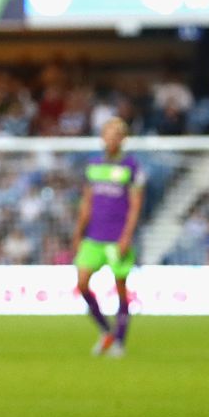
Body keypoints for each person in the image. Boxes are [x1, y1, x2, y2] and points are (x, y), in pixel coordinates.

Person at [70, 117, 144, 358]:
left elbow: (135, 206)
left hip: (116, 237)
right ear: (102, 137)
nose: (111, 138)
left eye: (116, 134)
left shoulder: (131, 167)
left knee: (121, 288)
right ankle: (106, 330)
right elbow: (87, 203)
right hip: (93, 236)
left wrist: (126, 236)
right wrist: (78, 232)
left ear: (123, 138)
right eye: (107, 133)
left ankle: (120, 340)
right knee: (82, 284)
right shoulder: (93, 164)